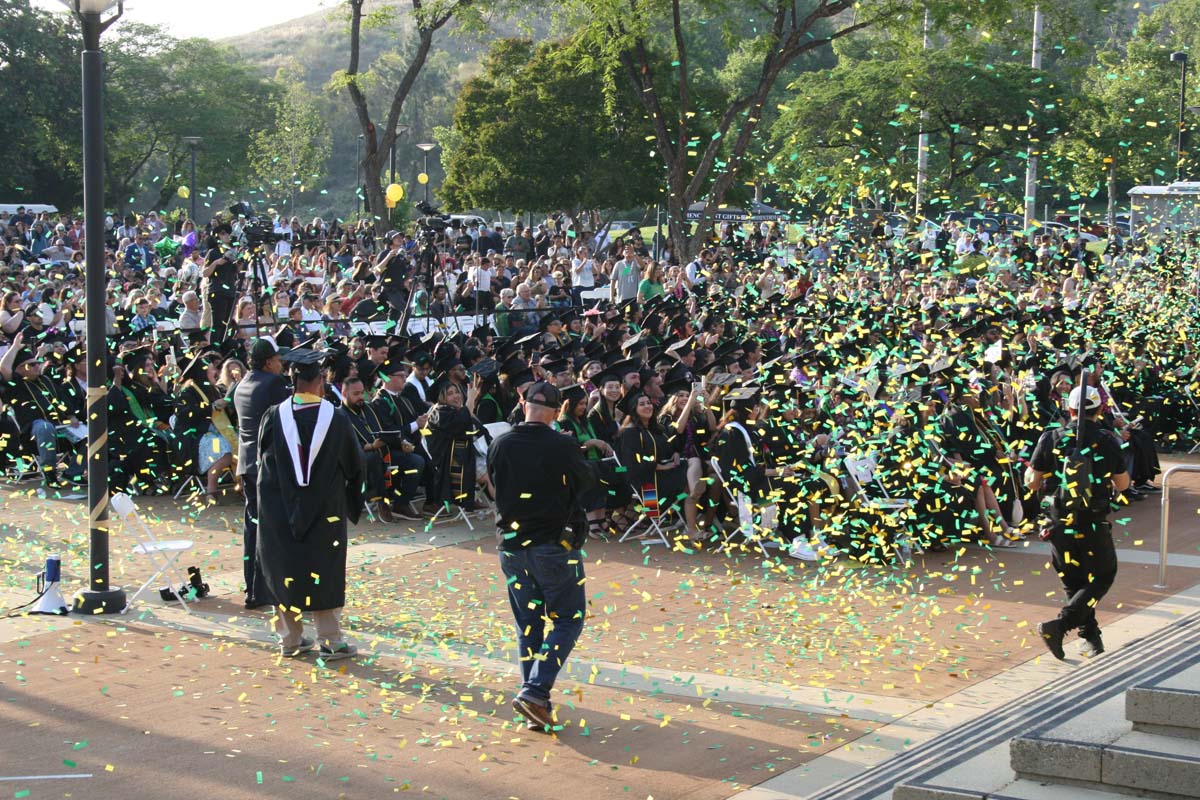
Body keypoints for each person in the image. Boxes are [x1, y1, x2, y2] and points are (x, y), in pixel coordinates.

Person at [487, 381, 596, 732]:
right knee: (567, 619)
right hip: (553, 545)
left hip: (512, 546)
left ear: (522, 402)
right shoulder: (562, 444)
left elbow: (492, 482)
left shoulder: (500, 442)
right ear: (556, 410)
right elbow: (587, 484)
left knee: (529, 625)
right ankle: (535, 691)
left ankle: (536, 701)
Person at [254, 347, 364, 660]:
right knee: (323, 569)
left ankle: (290, 640)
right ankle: (330, 641)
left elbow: (262, 464)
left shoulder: (273, 416)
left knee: (284, 568)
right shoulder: (337, 419)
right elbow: (356, 466)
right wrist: (353, 501)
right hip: (324, 510)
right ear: (320, 382)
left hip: (279, 510)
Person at [1025, 382, 1129, 660]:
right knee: (1103, 574)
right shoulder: (1107, 439)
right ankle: (1064, 626)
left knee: (1074, 580)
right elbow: (1122, 483)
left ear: (1068, 408)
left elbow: (1033, 483)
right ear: (1100, 409)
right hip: (1092, 520)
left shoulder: (1051, 437)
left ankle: (1089, 637)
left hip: (1058, 521)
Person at [232, 338, 290, 610]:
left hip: (247, 465)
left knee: (252, 528)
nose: (282, 365)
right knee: (272, 529)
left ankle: (253, 588)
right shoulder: (274, 384)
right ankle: (267, 588)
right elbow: (286, 419)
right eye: (279, 360)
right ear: (269, 362)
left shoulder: (241, 384)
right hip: (268, 465)